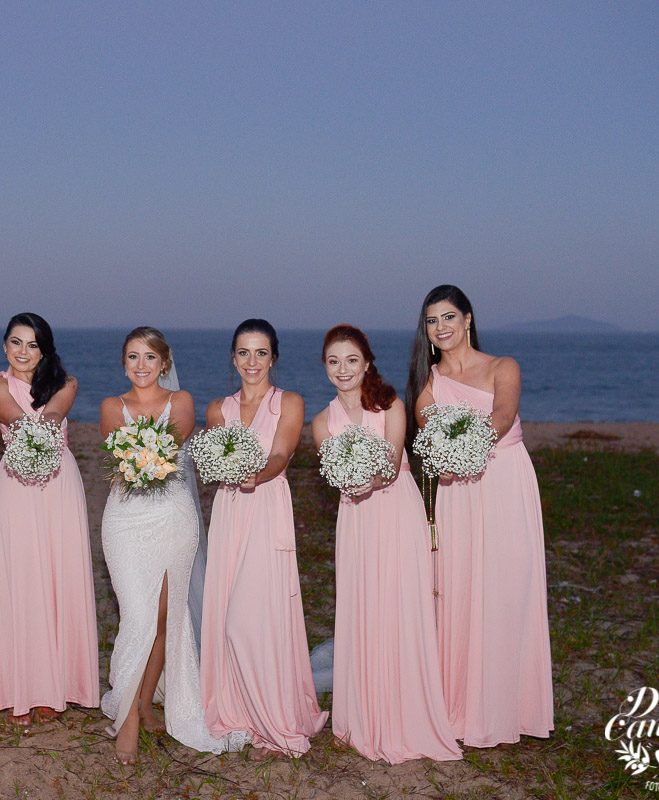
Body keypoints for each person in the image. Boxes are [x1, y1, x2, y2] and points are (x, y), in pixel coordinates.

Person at [405, 285, 554, 748]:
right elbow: (429, 440)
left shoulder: (502, 367)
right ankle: (462, 707)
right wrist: (448, 460)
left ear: (468, 319)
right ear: (426, 330)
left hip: (505, 481)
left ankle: (517, 708)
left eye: (449, 317)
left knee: (510, 589)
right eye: (432, 320)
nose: (442, 327)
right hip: (459, 494)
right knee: (462, 588)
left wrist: (467, 449)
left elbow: (504, 415)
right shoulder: (427, 386)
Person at [311, 325, 461, 763]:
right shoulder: (322, 422)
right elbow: (332, 471)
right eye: (334, 361)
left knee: (402, 604)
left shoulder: (391, 404)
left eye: (352, 360)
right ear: (325, 366)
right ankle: (365, 713)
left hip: (396, 511)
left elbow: (394, 462)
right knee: (364, 606)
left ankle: (407, 712)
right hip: (356, 521)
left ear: (367, 363)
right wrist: (350, 484)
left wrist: (367, 481)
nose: (343, 369)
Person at [99, 327, 242, 764]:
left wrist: (138, 452)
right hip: (124, 518)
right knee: (137, 615)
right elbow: (118, 454)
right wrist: (137, 454)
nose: (141, 365)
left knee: (166, 616)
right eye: (133, 357)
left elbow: (171, 445)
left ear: (165, 362)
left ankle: (143, 705)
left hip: (172, 515)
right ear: (124, 363)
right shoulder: (111, 406)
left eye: (150, 357)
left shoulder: (181, 402)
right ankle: (125, 719)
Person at [199, 319, 327, 759]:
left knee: (251, 620)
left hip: (267, 505)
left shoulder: (289, 401)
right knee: (228, 612)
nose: (251, 362)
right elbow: (215, 457)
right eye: (243, 353)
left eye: (260, 353)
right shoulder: (218, 408)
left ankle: (274, 721)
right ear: (233, 358)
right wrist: (225, 471)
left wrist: (256, 475)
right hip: (230, 511)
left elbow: (281, 451)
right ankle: (238, 712)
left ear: (273, 357)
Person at [0, 313, 99, 725]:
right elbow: (9, 414)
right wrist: (29, 433)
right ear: (4, 346)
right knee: (22, 576)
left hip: (58, 480)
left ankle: (57, 686)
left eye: (32, 345)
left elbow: (53, 415)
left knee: (57, 573)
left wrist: (42, 430)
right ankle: (22, 688)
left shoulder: (66, 382)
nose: (23, 352)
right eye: (16, 342)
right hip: (15, 478)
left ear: (44, 349)